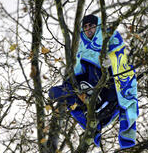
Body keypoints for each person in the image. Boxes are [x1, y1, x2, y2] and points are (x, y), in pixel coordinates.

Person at [49, 14, 138, 149]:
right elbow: (78, 69)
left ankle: (94, 97)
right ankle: (87, 107)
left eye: (91, 26)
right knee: (55, 93)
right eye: (85, 26)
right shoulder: (82, 46)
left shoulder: (109, 36)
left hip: (107, 87)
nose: (88, 29)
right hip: (85, 89)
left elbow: (122, 59)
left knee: (98, 71)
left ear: (98, 26)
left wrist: (111, 61)